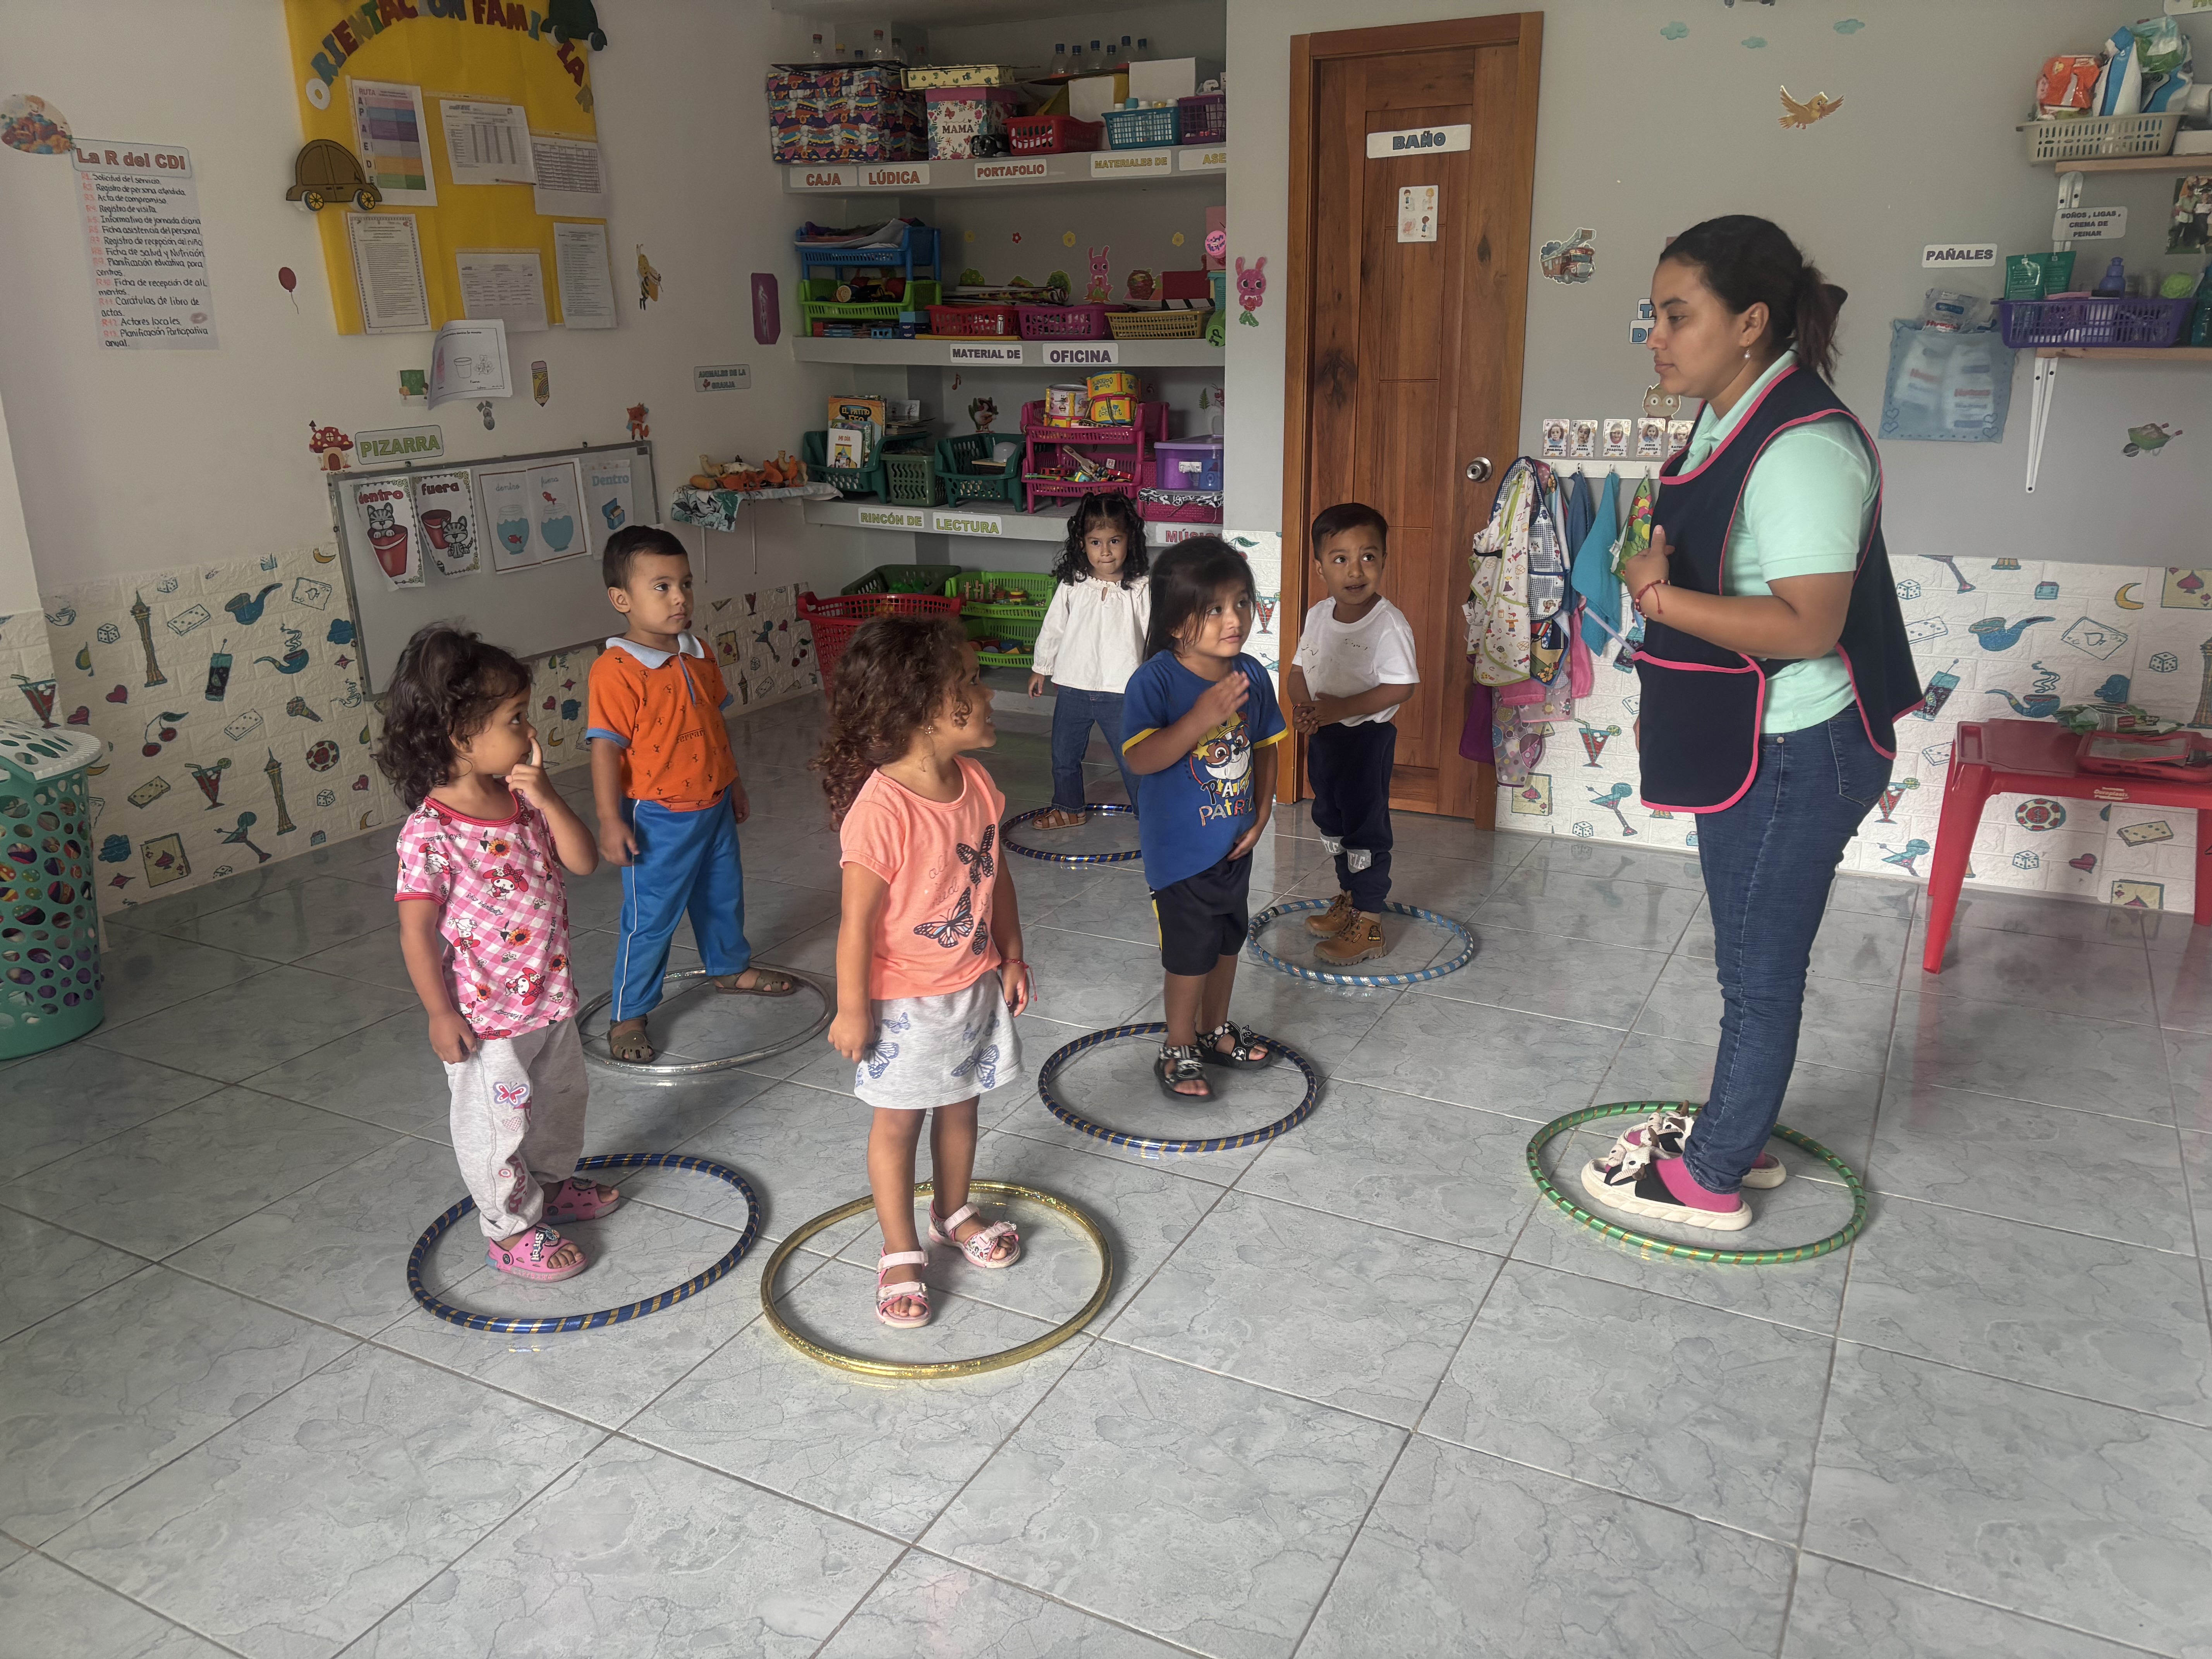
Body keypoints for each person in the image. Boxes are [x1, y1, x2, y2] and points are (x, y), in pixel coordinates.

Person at [1585, 214, 1921, 1231]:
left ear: (1750, 323)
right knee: (1749, 963)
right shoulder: (1732, 414)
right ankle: (1739, 1125)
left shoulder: (1804, 445)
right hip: (1755, 743)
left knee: (1759, 977)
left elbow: (1809, 625)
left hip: (1798, 752)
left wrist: (1656, 595)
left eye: (1676, 316)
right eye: (1654, 316)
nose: (1654, 336)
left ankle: (1713, 1175)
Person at [814, 615, 1034, 1328]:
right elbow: (855, 923)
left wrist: (1011, 954)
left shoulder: (977, 783)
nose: (987, 693)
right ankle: (900, 1247)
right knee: (899, 1123)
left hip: (971, 983)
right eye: (969, 682)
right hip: (904, 1001)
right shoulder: (882, 810)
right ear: (923, 709)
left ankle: (951, 1210)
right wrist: (852, 1007)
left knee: (963, 1103)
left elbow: (995, 875)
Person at [379, 624, 613, 1281]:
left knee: (561, 1101)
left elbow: (583, 860)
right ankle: (510, 1230)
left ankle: (552, 1184)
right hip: (488, 1022)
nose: (530, 730)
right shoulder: (430, 832)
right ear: (461, 736)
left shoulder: (521, 800)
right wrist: (439, 1012)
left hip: (550, 997)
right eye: (515, 718)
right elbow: (415, 931)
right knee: (498, 1126)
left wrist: (547, 794)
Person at [585, 524, 795, 1063]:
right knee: (651, 919)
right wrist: (610, 819)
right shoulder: (615, 670)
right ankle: (629, 1014)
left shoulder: (697, 652)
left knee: (722, 896)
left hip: (715, 803)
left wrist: (735, 783)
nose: (679, 598)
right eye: (661, 587)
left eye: (685, 584)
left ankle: (729, 969)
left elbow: (714, 727)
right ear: (621, 600)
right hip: (659, 817)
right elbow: (605, 749)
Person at [1122, 536, 1287, 1101]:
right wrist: (1200, 718)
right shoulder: (1156, 681)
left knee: (1226, 942)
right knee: (1189, 954)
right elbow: (1141, 759)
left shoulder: (1252, 675)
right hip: (1180, 854)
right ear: (1175, 622)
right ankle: (1178, 1043)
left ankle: (1215, 1030)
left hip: (1234, 844)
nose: (1234, 618)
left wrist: (1262, 813)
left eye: (1240, 602)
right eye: (1214, 608)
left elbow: (1265, 745)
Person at [1287, 501, 1420, 966]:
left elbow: (1401, 686)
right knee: (1332, 821)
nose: (1355, 570)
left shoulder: (1388, 623)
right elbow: (1299, 672)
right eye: (1340, 558)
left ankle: (1369, 922)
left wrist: (1337, 710)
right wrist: (1306, 710)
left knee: (1365, 830)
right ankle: (1348, 897)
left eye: (1368, 556)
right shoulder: (1318, 615)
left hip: (1365, 741)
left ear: (1384, 560)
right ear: (1320, 567)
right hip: (1325, 738)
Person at [1026, 493, 1152, 827]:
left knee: (1133, 759)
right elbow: (1053, 628)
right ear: (1083, 544)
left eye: (1114, 541)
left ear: (1130, 541)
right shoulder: (1074, 585)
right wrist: (1041, 668)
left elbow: (1153, 637)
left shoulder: (1141, 589)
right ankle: (1069, 808)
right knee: (1063, 755)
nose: (1105, 551)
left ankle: (1151, 815)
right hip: (1074, 686)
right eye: (1096, 542)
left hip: (1122, 691)